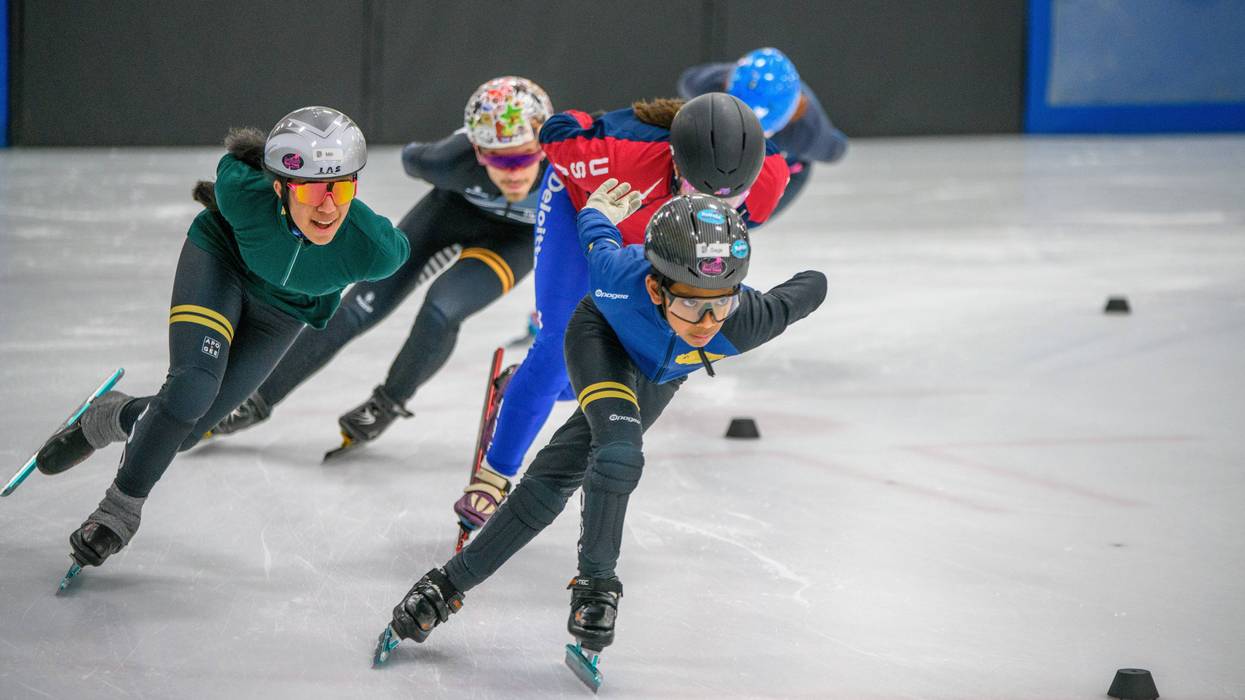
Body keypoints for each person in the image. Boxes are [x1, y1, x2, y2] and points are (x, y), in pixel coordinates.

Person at [380, 182, 827, 675]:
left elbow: (814, 284)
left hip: (665, 372)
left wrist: (738, 275)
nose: (706, 321)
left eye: (720, 304)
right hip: (603, 339)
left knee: (559, 471)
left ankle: (445, 587)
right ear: (656, 288)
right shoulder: (620, 278)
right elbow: (598, 238)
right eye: (692, 304)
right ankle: (596, 589)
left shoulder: (746, 319)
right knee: (619, 452)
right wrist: (596, 210)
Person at [32, 106, 410, 576]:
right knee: (191, 388)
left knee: (185, 432)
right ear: (280, 186)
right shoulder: (242, 193)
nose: (329, 206)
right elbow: (235, 164)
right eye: (313, 189)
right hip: (222, 268)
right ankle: (118, 512)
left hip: (284, 313)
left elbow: (400, 248)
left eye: (343, 187)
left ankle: (107, 417)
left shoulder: (373, 249)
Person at [457, 92, 791, 535]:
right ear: (674, 164)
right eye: (695, 191)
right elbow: (557, 131)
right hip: (584, 210)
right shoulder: (617, 154)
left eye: (734, 200)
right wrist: (593, 119)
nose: (713, 208)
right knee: (559, 344)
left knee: (635, 366)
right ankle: (496, 472)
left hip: (660, 237)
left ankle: (522, 387)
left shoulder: (770, 179)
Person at [206, 77, 553, 460]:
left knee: (442, 309)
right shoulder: (444, 161)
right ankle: (255, 400)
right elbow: (411, 157)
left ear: (545, 145)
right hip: (449, 214)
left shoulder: (568, 162)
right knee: (357, 306)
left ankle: (388, 402)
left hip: (513, 242)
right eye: (496, 158)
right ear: (475, 150)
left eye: (522, 155)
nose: (513, 171)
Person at [678, 47, 848, 218]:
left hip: (788, 165)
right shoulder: (707, 84)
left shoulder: (808, 134)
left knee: (737, 219)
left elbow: (837, 150)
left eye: (762, 129)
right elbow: (686, 81)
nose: (748, 133)